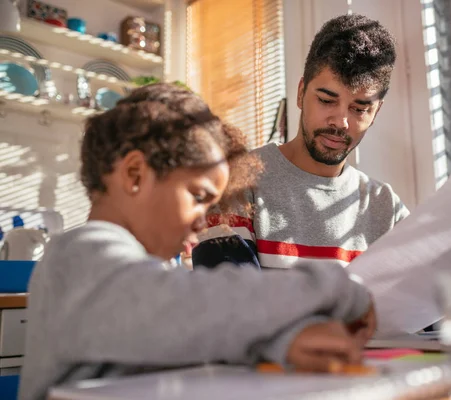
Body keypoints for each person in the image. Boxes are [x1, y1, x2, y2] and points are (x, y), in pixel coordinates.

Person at [19, 84, 376, 400]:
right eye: (198, 196)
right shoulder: (78, 255)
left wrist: (281, 342)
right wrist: (336, 287)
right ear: (134, 174)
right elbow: (180, 307)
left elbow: (192, 334)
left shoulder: (144, 278)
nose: (207, 220)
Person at [193, 14, 409, 270]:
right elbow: (231, 303)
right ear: (300, 93)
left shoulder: (386, 208)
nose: (341, 122)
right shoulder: (237, 180)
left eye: (359, 109)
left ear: (376, 113)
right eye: (327, 100)